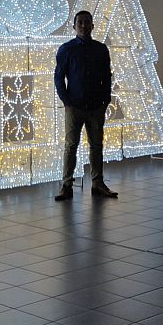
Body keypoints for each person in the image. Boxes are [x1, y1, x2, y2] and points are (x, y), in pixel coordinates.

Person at [53, 10, 118, 200]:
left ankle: (98, 183)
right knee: (71, 145)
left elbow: (107, 76)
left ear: (92, 25)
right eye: (80, 22)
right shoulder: (66, 49)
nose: (83, 25)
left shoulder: (101, 49)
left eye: (87, 22)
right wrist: (66, 101)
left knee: (96, 145)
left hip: (97, 106)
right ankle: (67, 185)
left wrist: (106, 99)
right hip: (75, 106)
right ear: (74, 26)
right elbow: (58, 77)